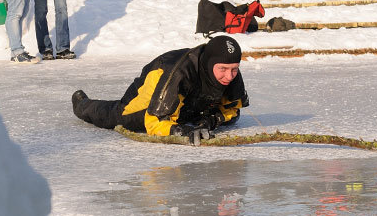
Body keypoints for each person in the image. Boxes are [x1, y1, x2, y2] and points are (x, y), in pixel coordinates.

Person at [72, 36, 249, 144]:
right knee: (119, 116)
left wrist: (212, 120)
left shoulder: (230, 70)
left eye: (234, 69)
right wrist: (181, 132)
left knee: (214, 117)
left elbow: (233, 109)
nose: (229, 76)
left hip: (189, 102)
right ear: (210, 64)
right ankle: (83, 105)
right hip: (159, 81)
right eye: (223, 69)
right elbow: (154, 121)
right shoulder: (179, 74)